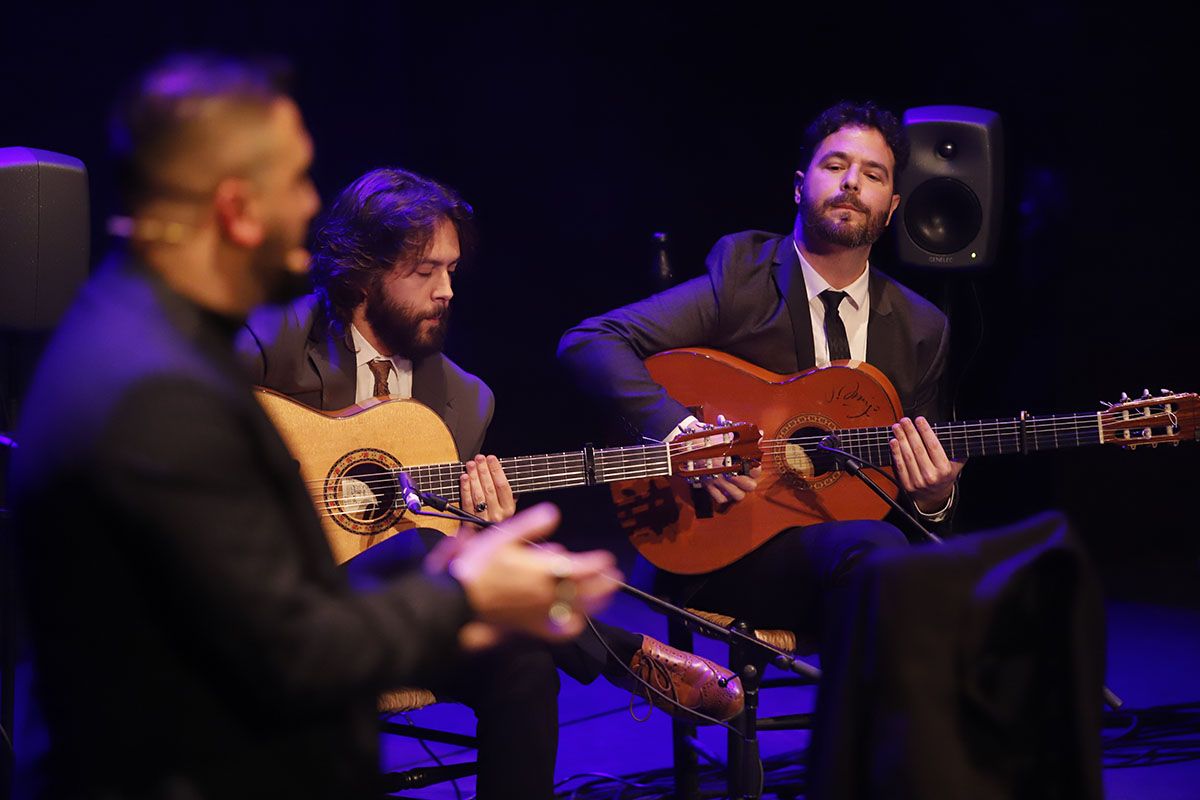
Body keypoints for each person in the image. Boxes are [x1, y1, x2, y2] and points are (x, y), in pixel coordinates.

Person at [8, 54, 618, 800]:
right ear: (237, 207)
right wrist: (463, 592)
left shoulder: (137, 330)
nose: (309, 208)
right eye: (297, 181)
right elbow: (288, 651)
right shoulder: (160, 389)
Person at [235, 167, 747, 734]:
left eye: (451, 270)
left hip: (401, 620)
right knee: (426, 544)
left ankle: (618, 660)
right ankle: (628, 656)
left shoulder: (465, 399)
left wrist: (477, 530)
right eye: (425, 271)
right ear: (361, 274)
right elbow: (184, 440)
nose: (447, 290)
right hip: (285, 604)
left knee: (523, 661)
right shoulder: (273, 341)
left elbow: (448, 560)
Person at [558, 100, 964, 643]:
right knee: (884, 566)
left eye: (872, 174)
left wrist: (934, 498)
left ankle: (870, 719)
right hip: (733, 546)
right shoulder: (743, 278)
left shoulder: (922, 327)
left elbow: (920, 490)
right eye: (835, 165)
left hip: (859, 557)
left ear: (891, 209)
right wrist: (687, 435)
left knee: (925, 573)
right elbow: (590, 341)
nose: (851, 184)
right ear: (799, 186)